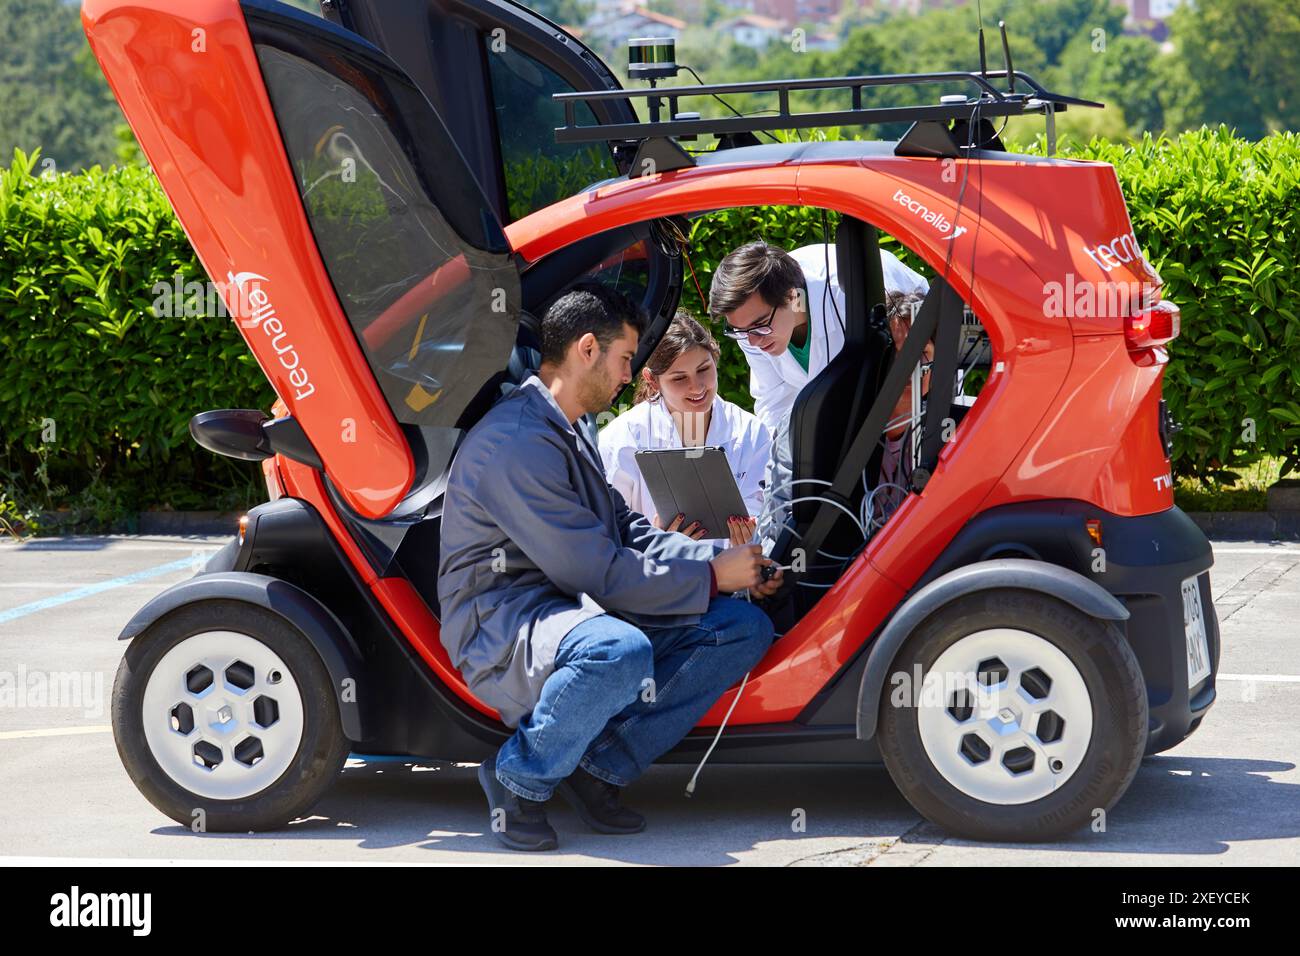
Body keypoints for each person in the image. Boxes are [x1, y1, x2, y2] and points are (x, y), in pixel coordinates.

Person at [436, 282, 783, 852]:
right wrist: (712, 577)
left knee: (740, 629)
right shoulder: (519, 441)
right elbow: (592, 571)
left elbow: (628, 531)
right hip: (503, 618)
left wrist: (720, 560)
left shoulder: (566, 425)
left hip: (564, 603)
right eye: (626, 360)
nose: (629, 377)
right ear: (588, 349)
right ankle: (518, 778)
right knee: (617, 651)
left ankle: (593, 767)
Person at [708, 240, 928, 435]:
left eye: (760, 325)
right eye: (740, 330)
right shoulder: (751, 329)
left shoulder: (850, 294)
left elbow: (916, 373)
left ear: (793, 297)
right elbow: (775, 401)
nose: (753, 342)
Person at [599, 311, 772, 547]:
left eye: (703, 370)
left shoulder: (751, 432)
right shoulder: (622, 438)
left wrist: (752, 533)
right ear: (652, 380)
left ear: (714, 356)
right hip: (655, 578)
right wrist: (653, 539)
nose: (697, 387)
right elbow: (606, 532)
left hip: (731, 577)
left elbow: (768, 516)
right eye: (679, 378)